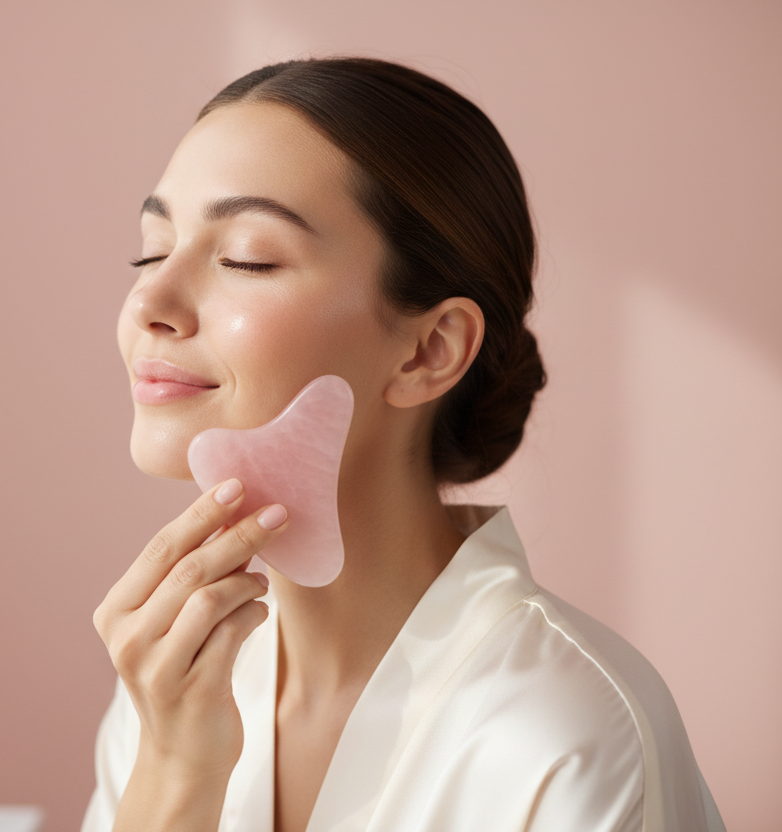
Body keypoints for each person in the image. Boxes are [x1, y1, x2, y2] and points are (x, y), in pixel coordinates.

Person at [83, 58, 724, 832]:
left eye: (246, 256)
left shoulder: (569, 734)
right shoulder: (172, 686)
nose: (149, 300)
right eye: (150, 251)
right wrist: (176, 771)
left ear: (429, 351)